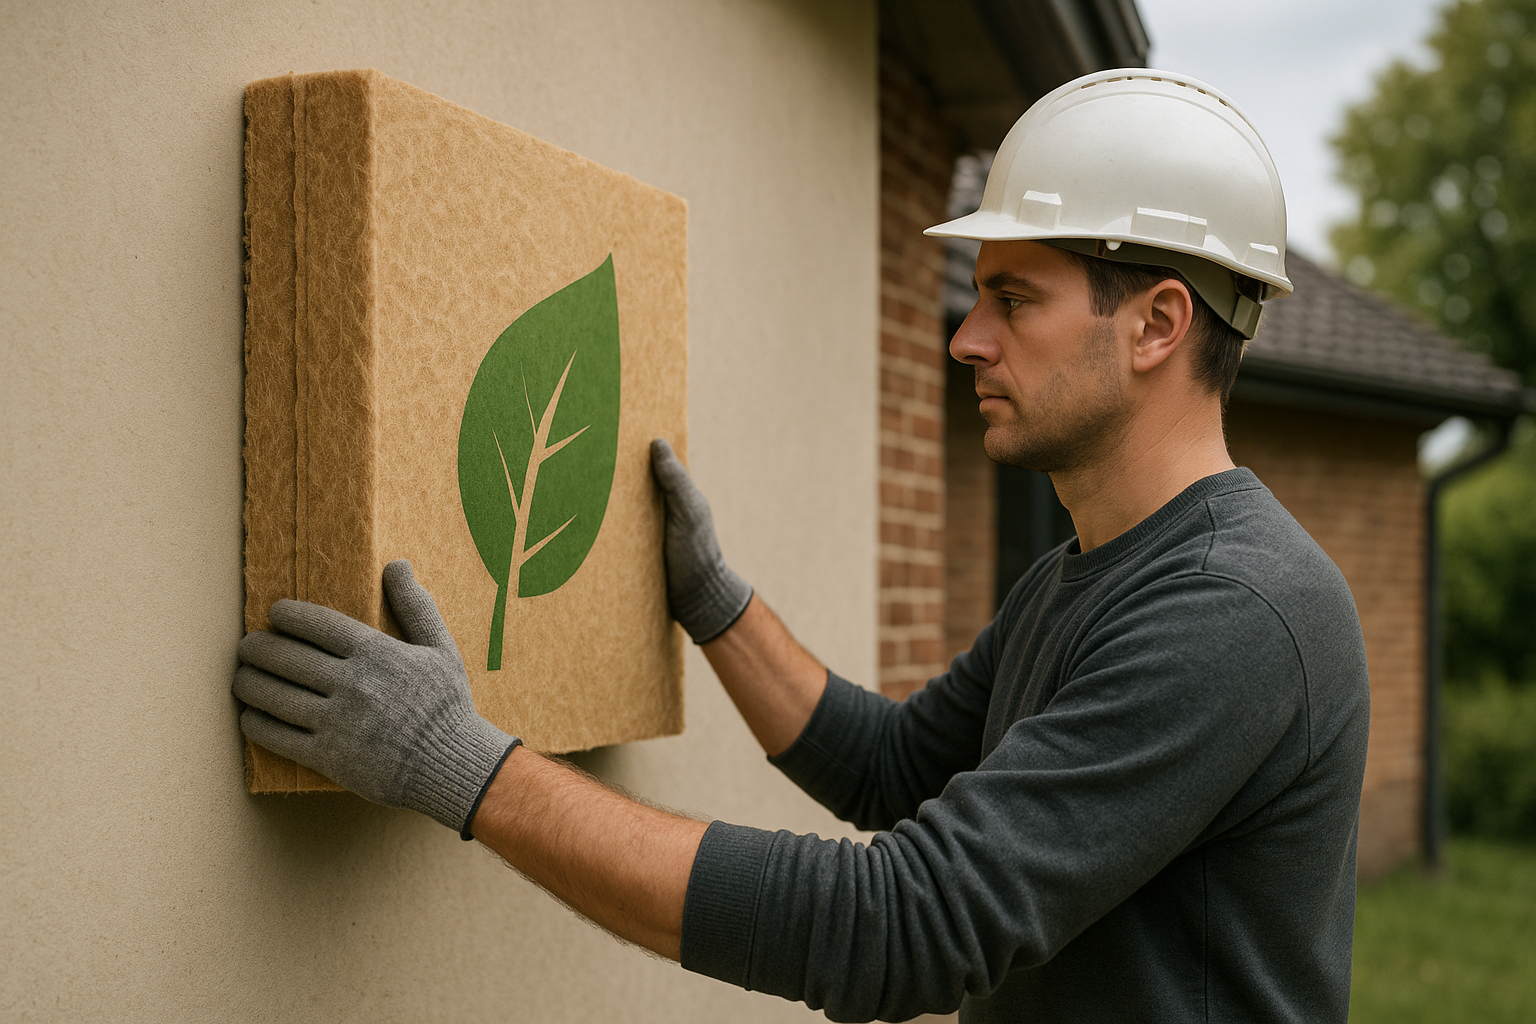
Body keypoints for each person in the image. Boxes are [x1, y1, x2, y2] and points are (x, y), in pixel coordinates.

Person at [232, 69, 1369, 1022]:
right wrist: (716, 605)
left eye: (1013, 300)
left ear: (1158, 323)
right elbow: (894, 767)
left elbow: (901, 927)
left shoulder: (1235, 609)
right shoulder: (1086, 570)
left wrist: (462, 764)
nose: (967, 338)